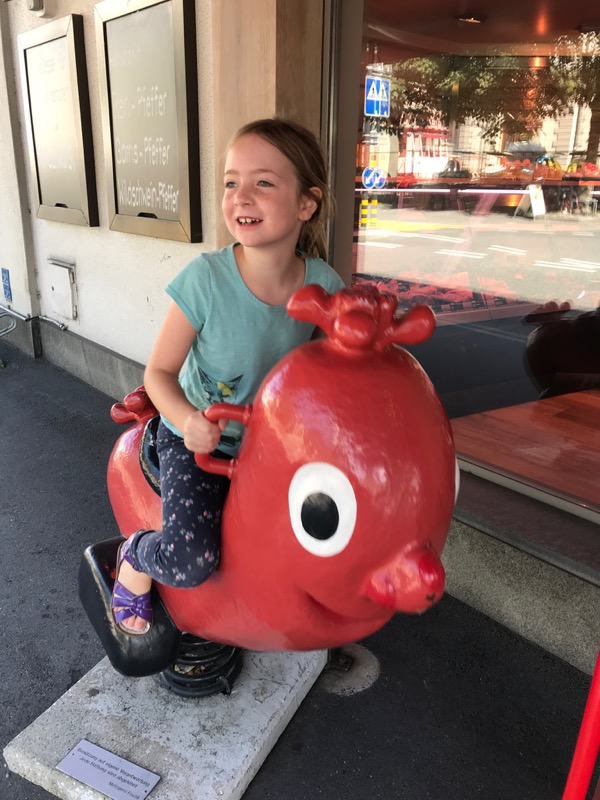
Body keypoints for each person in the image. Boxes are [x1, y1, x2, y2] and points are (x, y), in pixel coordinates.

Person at [111, 117, 346, 634]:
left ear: (307, 204)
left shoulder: (324, 288)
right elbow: (159, 372)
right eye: (231, 182)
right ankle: (135, 555)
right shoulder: (206, 280)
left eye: (263, 182)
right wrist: (187, 421)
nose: (241, 196)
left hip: (270, 446)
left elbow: (335, 374)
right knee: (191, 560)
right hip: (195, 439)